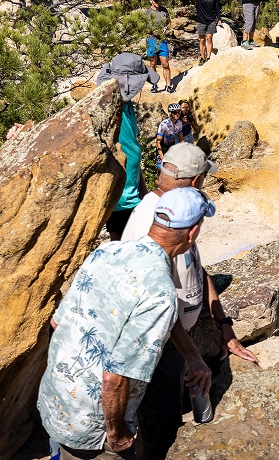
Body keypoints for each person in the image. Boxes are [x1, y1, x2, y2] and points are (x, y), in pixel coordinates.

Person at [38, 186, 213, 460]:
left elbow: (58, 322)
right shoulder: (160, 292)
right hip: (93, 424)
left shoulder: (107, 253)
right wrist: (117, 435)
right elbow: (115, 378)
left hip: (57, 394)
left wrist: (191, 355)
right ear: (192, 233)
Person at [121, 145, 258, 459]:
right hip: (158, 345)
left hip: (176, 342)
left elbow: (197, 266)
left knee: (168, 406)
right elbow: (154, 309)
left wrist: (224, 325)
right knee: (159, 417)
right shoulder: (151, 224)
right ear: (196, 179)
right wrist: (191, 354)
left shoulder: (173, 211)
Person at [94, 54, 159, 238]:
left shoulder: (127, 106)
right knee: (124, 244)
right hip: (120, 198)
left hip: (133, 193)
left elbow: (133, 150)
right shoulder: (109, 110)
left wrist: (143, 191)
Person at [144, 0, 173, 93]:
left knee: (165, 64)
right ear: (151, 1)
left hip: (162, 40)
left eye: (158, 0)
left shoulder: (164, 10)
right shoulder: (147, 12)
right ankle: (154, 84)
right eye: (155, 1)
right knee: (153, 63)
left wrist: (165, 28)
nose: (157, 3)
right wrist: (153, 31)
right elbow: (144, 26)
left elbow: (168, 21)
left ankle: (168, 86)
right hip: (151, 40)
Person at [191, 0, 222, 64]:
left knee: (209, 39)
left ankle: (208, 57)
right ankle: (202, 57)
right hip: (201, 21)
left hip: (211, 20)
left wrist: (219, 19)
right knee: (202, 40)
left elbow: (217, 8)